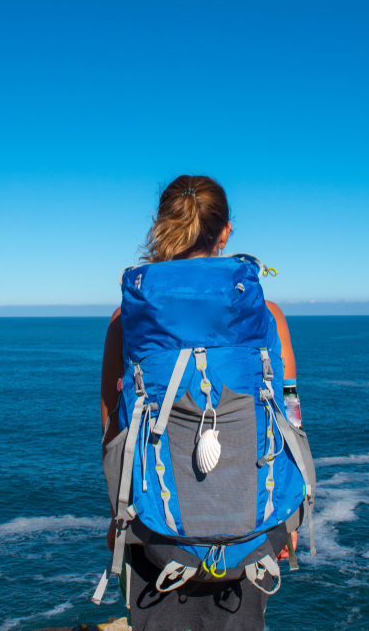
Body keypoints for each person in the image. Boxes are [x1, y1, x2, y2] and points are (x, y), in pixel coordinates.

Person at [99, 175, 301, 631]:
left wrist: (117, 516)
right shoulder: (267, 318)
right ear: (225, 231)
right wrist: (284, 514)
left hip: (154, 532)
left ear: (161, 224)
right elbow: (288, 417)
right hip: (250, 529)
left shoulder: (126, 320)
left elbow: (114, 426)